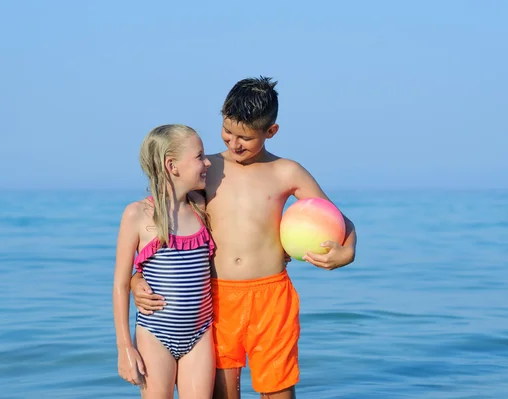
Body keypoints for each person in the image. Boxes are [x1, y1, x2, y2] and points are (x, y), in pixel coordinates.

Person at [131, 77, 357, 399]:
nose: (234, 143)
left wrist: (347, 253)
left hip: (271, 295)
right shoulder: (207, 168)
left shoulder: (287, 172)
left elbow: (340, 220)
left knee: (278, 388)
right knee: (223, 390)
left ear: (271, 131)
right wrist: (136, 277)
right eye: (228, 131)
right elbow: (164, 229)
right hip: (216, 296)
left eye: (246, 138)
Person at [112, 124, 216, 399]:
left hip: (200, 333)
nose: (208, 162)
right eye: (199, 156)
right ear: (172, 165)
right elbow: (121, 285)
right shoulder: (137, 215)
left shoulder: (202, 207)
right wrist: (125, 347)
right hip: (155, 334)